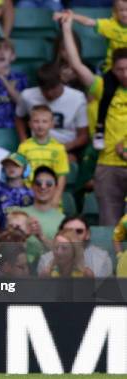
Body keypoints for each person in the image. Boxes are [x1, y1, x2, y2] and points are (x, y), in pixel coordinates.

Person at [59, 13, 127, 227]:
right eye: (120, 70)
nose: (125, 73)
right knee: (109, 225)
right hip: (107, 166)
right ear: (113, 71)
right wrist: (67, 29)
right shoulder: (103, 88)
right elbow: (76, 65)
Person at [15, 63, 89, 155]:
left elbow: (83, 136)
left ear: (61, 81)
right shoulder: (27, 96)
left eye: (53, 88)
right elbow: (19, 117)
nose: (49, 93)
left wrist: (61, 149)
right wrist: (24, 140)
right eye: (45, 90)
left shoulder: (77, 98)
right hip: (36, 147)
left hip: (67, 149)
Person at [17, 104, 68, 207]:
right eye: (36, 121)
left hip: (51, 198)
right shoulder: (23, 147)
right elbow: (20, 174)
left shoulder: (58, 148)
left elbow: (61, 176)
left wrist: (56, 197)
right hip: (29, 197)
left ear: (52, 124)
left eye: (44, 121)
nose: (40, 125)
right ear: (30, 124)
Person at [54, 1, 127, 72]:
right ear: (115, 12)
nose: (125, 14)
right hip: (113, 69)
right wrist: (72, 16)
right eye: (121, 10)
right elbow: (88, 21)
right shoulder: (109, 25)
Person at [37, 215, 113, 278]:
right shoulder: (45, 260)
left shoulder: (102, 259)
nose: (73, 236)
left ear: (88, 234)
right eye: (68, 231)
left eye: (79, 231)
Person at [20, 166, 65, 247]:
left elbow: (64, 254)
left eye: (49, 184)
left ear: (56, 188)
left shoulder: (63, 220)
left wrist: (41, 237)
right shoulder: (18, 213)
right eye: (38, 183)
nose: (43, 187)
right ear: (32, 186)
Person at [0, 152, 34, 228]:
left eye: (16, 165)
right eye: (7, 165)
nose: (11, 168)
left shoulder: (30, 193)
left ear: (25, 169)